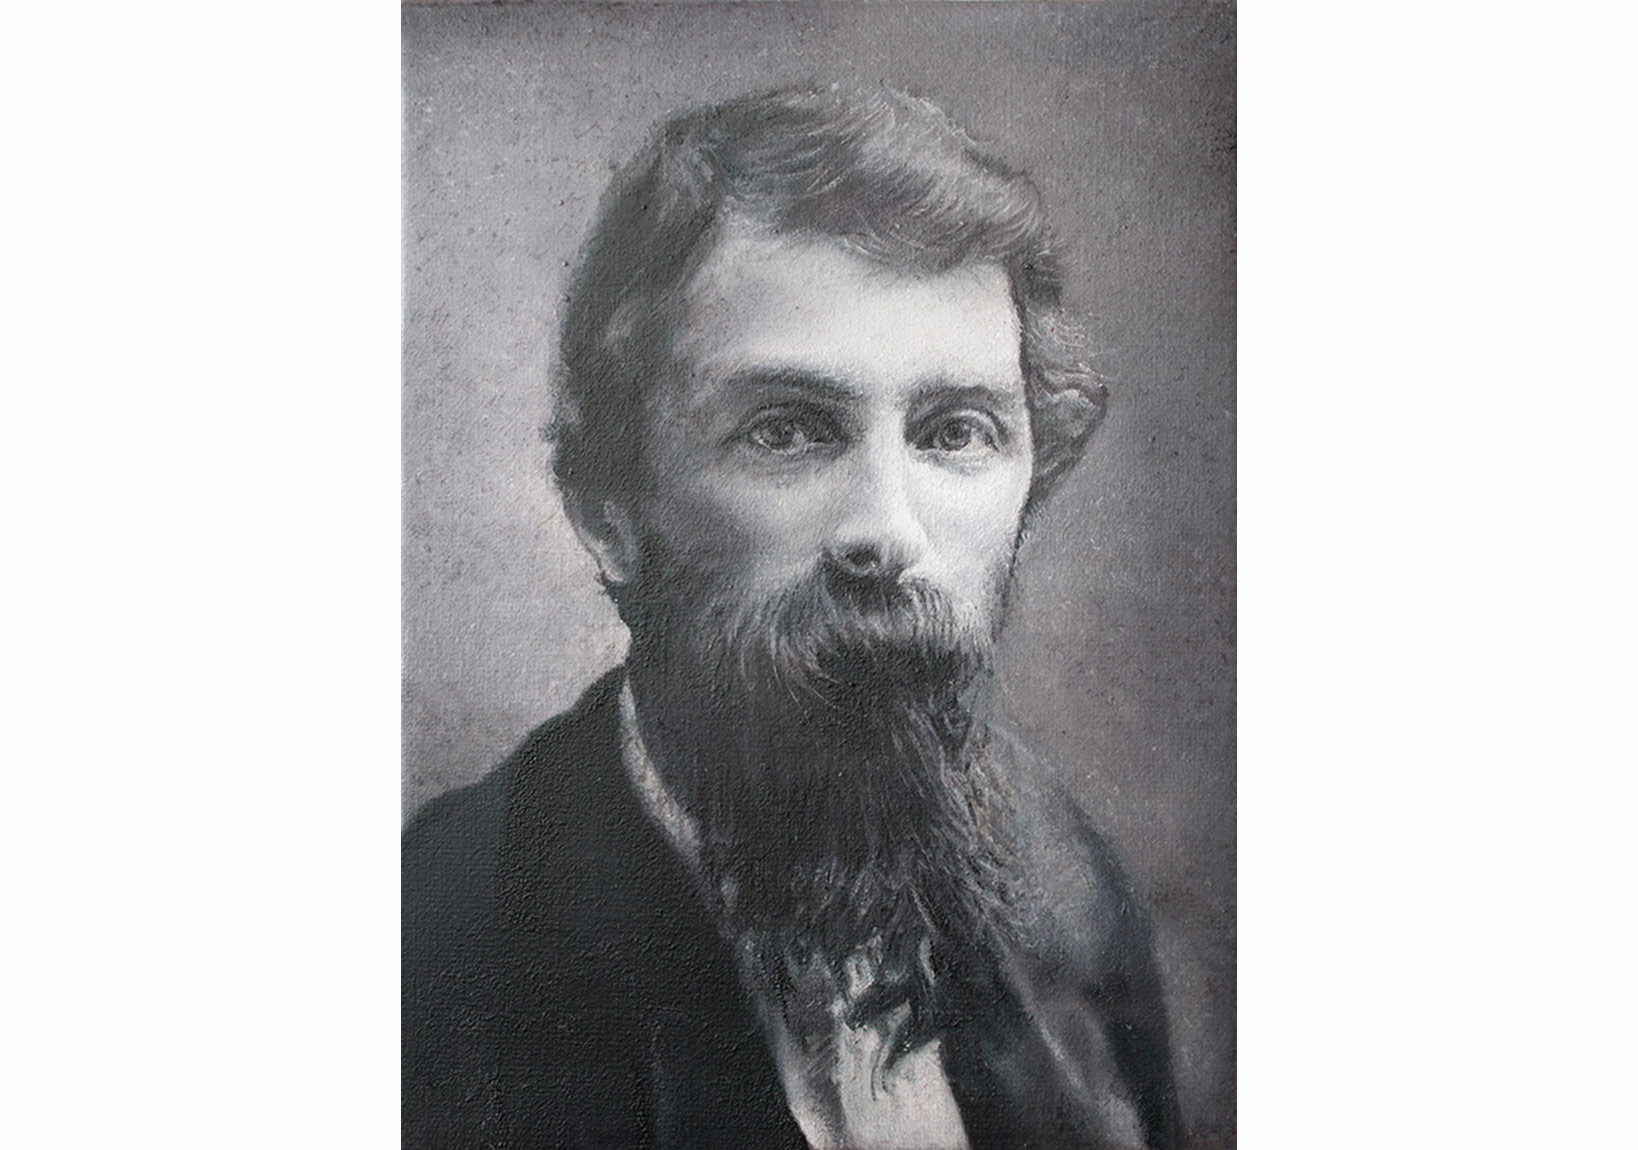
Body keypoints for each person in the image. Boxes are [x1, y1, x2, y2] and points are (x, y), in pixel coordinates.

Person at [403, 84, 1182, 1150]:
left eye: (955, 431)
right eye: (788, 430)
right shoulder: (435, 950)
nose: (887, 531)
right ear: (609, 510)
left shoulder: (1064, 879)